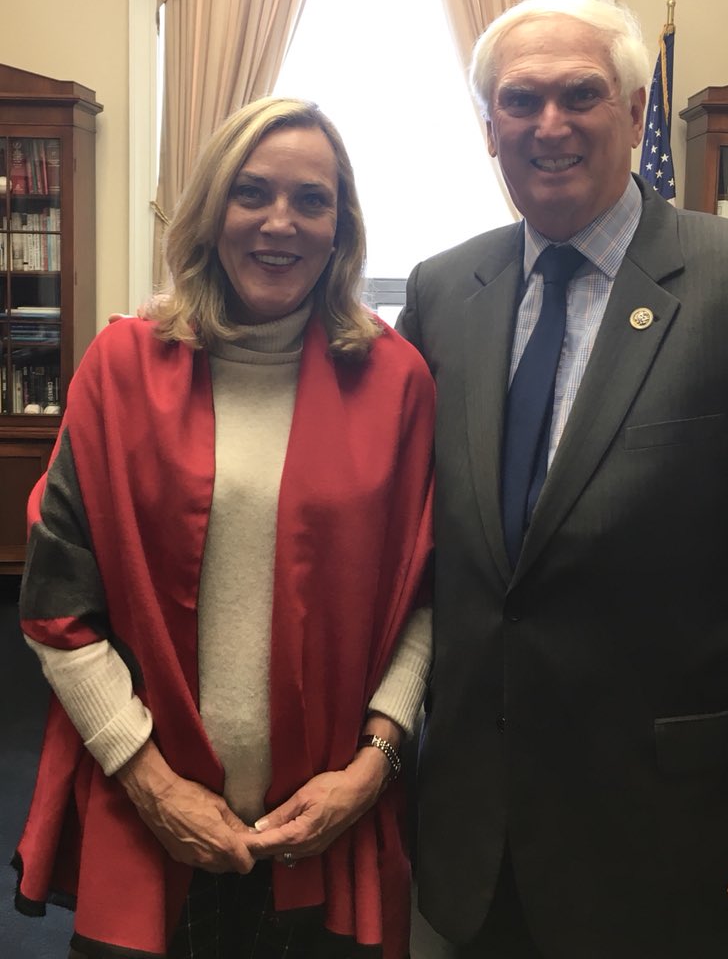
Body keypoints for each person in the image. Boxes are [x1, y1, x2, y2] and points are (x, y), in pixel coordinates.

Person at [397, 0, 728, 959]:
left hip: (673, 836)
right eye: (521, 100)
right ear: (489, 127)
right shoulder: (443, 291)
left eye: (581, 95)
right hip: (479, 826)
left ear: (637, 111)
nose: (549, 125)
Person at [14, 97, 435, 959]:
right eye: (252, 192)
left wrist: (372, 767)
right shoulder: (120, 367)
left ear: (341, 227)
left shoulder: (395, 381)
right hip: (149, 810)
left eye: (312, 200)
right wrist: (148, 780)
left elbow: (425, 595)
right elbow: (57, 602)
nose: (281, 223)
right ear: (212, 208)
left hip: (326, 823)